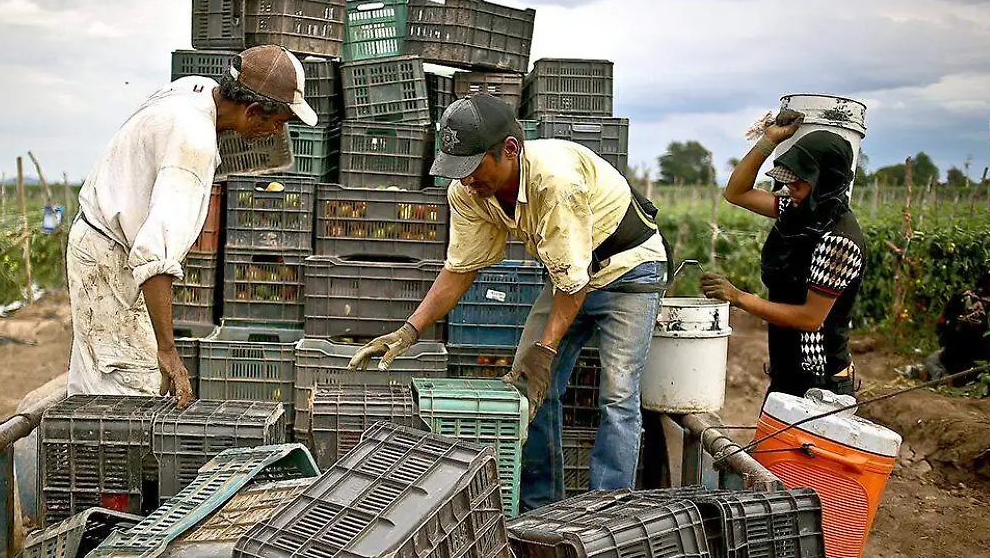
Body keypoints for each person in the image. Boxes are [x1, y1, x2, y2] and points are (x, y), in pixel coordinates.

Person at [348, 93, 670, 510]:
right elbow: (461, 267)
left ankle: (607, 511)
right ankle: (541, 508)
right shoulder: (468, 193)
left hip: (630, 270)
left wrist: (547, 349)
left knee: (618, 395)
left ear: (510, 150)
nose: (465, 180)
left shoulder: (554, 181)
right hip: (569, 273)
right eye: (456, 171)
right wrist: (409, 331)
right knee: (528, 388)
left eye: (472, 168)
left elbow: (575, 285)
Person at [66, 45, 318, 407]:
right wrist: (168, 351)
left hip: (98, 237)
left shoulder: (195, 89)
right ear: (251, 111)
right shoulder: (193, 144)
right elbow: (154, 254)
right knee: (125, 385)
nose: (276, 133)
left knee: (96, 376)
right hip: (110, 257)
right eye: (277, 122)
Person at [700, 109, 866, 398]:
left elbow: (810, 318)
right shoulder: (801, 212)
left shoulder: (840, 240)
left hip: (821, 381)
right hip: (789, 370)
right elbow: (736, 193)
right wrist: (769, 140)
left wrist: (740, 298)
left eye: (799, 182)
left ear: (825, 180)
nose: (791, 189)